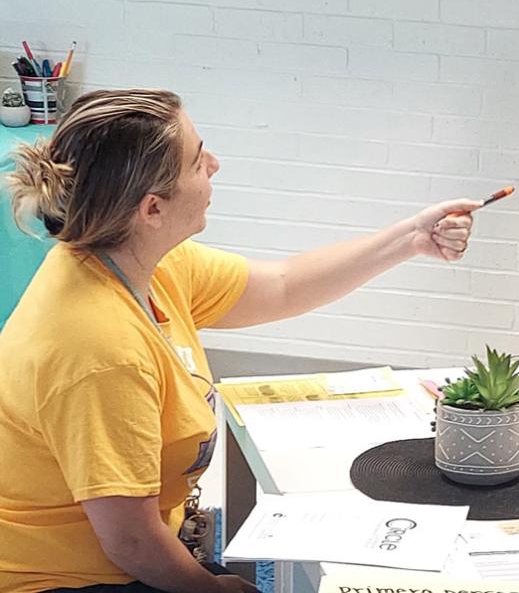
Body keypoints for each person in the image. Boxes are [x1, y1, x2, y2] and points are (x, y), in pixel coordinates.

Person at [0, 89, 480, 593]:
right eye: (196, 159)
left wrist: (409, 239)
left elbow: (283, 285)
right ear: (152, 209)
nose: (214, 164)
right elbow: (132, 542)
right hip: (61, 580)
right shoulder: (100, 348)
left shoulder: (142, 263)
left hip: (117, 559)